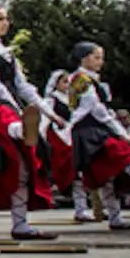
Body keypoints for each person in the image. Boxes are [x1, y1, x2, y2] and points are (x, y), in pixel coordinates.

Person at [0, 3, 66, 240]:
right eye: (0, 18)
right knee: (1, 115)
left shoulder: (9, 54)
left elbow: (24, 87)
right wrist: (16, 107)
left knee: (22, 165)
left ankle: (20, 224)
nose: (5, 23)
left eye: (6, 18)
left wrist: (49, 113)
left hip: (11, 107)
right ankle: (20, 128)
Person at [67, 42, 130, 231]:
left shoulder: (87, 80)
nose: (101, 62)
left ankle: (115, 217)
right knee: (125, 162)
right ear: (84, 58)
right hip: (93, 132)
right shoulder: (82, 79)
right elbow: (97, 110)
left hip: (89, 132)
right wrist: (123, 134)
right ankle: (116, 216)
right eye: (96, 57)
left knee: (108, 174)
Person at [41, 70, 89, 221]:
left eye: (69, 82)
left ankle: (82, 209)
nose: (67, 85)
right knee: (73, 173)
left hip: (72, 139)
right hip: (59, 142)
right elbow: (44, 121)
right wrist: (40, 138)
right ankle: (80, 208)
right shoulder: (51, 100)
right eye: (64, 82)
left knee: (79, 174)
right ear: (56, 83)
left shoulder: (73, 100)